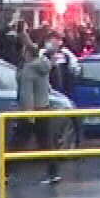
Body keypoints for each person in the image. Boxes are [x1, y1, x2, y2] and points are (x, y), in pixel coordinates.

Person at [14, 40, 63, 186]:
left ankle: (6, 173)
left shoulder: (29, 69)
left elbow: (26, 93)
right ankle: (54, 173)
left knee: (17, 143)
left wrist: (28, 114)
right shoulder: (43, 66)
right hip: (43, 107)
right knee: (45, 143)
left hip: (32, 110)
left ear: (27, 53)